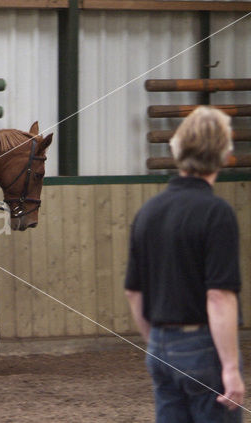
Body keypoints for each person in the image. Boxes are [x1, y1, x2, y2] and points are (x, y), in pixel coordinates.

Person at [125, 106, 244, 422]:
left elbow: (133, 293)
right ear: (223, 153)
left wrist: (157, 343)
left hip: (161, 346)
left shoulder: (148, 212)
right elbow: (218, 296)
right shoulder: (217, 213)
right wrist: (230, 367)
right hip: (202, 346)